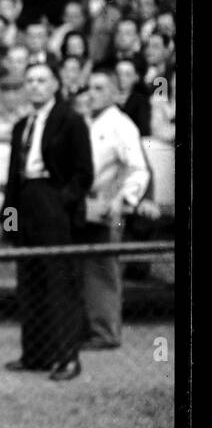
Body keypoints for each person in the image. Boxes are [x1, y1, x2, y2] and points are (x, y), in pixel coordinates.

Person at [3, 63, 95, 381]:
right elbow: (12, 179)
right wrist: (10, 222)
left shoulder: (70, 121)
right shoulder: (21, 126)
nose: (35, 86)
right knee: (30, 280)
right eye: (30, 81)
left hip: (53, 202)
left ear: (55, 85)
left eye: (42, 80)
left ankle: (67, 357)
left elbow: (83, 173)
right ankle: (36, 355)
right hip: (26, 201)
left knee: (60, 282)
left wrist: (60, 205)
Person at [79, 68, 150, 350]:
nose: (92, 94)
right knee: (82, 267)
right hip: (82, 202)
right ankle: (88, 327)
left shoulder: (122, 125)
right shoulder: (86, 121)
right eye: (89, 88)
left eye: (99, 88)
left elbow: (138, 169)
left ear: (113, 93)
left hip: (106, 203)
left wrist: (123, 199)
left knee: (102, 269)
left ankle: (106, 331)